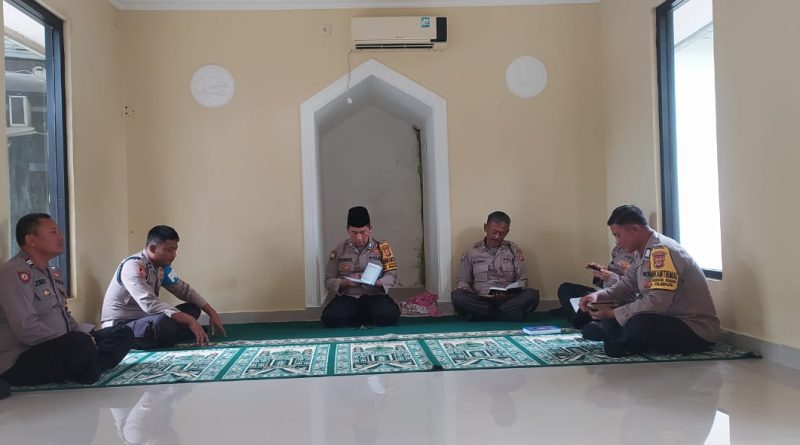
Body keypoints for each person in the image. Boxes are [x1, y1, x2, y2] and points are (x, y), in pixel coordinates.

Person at [0, 213, 133, 398]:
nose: (61, 236)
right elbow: (26, 328)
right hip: (23, 356)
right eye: (53, 232)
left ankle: (86, 366)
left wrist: (86, 334)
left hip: (62, 345)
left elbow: (64, 315)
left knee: (122, 332)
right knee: (80, 344)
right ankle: (86, 366)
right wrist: (77, 339)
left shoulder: (52, 271)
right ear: (31, 240)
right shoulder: (15, 273)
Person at [579, 205, 720, 357]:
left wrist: (613, 314)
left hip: (691, 327)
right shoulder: (641, 252)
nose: (617, 242)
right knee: (615, 313)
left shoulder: (663, 252)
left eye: (618, 235)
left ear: (634, 229)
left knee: (639, 323)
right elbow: (625, 286)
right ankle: (619, 336)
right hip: (663, 317)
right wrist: (598, 296)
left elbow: (658, 303)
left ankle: (619, 337)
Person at [101, 225, 226, 349]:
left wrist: (211, 312)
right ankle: (170, 334)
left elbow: (184, 291)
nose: (174, 254)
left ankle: (168, 335)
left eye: (175, 250)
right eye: (170, 250)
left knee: (193, 309)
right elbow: (150, 304)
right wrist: (189, 320)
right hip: (121, 325)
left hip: (146, 318)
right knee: (163, 323)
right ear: (153, 248)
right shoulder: (132, 266)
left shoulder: (162, 267)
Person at [451, 211, 539, 321]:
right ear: (486, 228)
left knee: (532, 294)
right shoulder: (472, 252)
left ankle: (483, 315)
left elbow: (522, 279)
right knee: (458, 296)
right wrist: (465, 288)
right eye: (494, 232)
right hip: (481, 299)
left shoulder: (514, 250)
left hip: (508, 299)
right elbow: (463, 280)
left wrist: (511, 291)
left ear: (507, 232)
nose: (497, 236)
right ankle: (504, 315)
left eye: (502, 233)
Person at [321, 206, 400, 328]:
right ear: (347, 230)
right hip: (349, 297)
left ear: (370, 228)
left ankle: (357, 318)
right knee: (330, 317)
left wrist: (378, 283)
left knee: (390, 314)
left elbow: (392, 275)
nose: (359, 237)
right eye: (354, 233)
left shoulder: (382, 248)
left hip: (374, 296)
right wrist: (345, 283)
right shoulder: (340, 249)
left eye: (363, 232)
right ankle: (363, 318)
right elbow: (328, 281)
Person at [552, 244, 635, 327]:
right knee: (566, 288)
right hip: (608, 292)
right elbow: (608, 285)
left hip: (621, 299)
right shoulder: (618, 249)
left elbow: (630, 290)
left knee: (584, 316)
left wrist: (613, 279)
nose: (617, 241)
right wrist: (601, 275)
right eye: (615, 237)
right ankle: (574, 312)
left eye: (619, 237)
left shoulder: (640, 257)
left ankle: (572, 312)